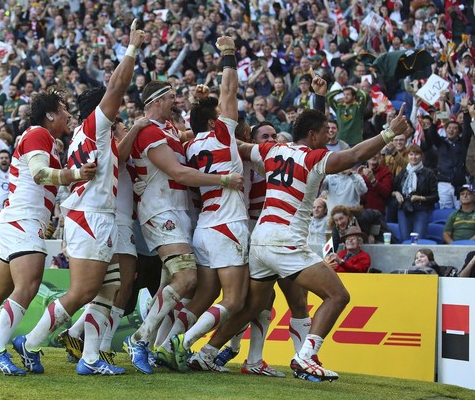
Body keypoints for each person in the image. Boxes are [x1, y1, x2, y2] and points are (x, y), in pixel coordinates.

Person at [188, 87, 408, 380]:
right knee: (337, 295)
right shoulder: (314, 157)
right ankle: (306, 356)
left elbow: (239, 145)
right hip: (285, 240)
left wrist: (194, 134)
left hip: (260, 238)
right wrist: (389, 134)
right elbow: (354, 154)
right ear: (314, 135)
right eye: (325, 135)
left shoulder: (270, 150)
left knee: (252, 304)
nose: (328, 140)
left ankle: (206, 353)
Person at [11, 20, 146, 377]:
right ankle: (33, 341)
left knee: (110, 286)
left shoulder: (92, 138)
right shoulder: (95, 126)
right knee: (83, 291)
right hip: (90, 216)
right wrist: (132, 48)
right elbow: (118, 84)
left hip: (94, 216)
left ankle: (89, 359)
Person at [0, 87, 96, 375]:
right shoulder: (38, 134)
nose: (68, 114)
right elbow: (40, 174)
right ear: (50, 114)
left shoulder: (47, 140)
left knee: (0, 289)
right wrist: (75, 174)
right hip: (23, 221)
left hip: (18, 219)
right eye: (64, 108)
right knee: (28, 285)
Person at [124, 77, 243, 374]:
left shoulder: (168, 131)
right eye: (172, 97)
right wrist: (223, 180)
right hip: (160, 210)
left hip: (179, 212)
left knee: (172, 284)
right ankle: (138, 340)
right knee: (187, 277)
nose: (176, 102)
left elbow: (195, 134)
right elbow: (178, 171)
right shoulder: (149, 131)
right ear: (156, 101)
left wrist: (197, 103)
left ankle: (154, 346)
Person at [164, 36, 253, 374]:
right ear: (215, 121)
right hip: (229, 224)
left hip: (204, 227)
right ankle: (181, 344)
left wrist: (201, 103)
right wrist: (228, 53)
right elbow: (229, 92)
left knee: (203, 297)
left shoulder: (190, 145)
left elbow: (201, 117)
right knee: (234, 300)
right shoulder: (222, 135)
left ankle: (162, 345)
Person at [391, 144, 439, 242]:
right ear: (407, 156)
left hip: (421, 209)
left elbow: (435, 197)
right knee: (405, 239)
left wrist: (420, 198)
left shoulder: (429, 173)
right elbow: (391, 189)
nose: (413, 157)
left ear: (421, 156)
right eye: (411, 154)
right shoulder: (403, 172)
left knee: (418, 240)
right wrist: (396, 193)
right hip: (404, 208)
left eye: (416, 154)